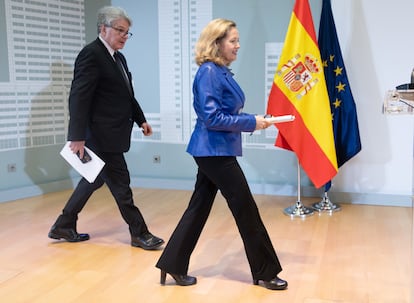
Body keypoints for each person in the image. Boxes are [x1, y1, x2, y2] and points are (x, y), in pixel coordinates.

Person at [155, 18, 287, 290]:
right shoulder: (209, 73)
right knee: (246, 209)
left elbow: (225, 113)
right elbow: (212, 117)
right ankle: (265, 271)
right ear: (216, 44)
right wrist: (251, 123)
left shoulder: (219, 71)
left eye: (238, 40)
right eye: (233, 41)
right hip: (213, 152)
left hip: (213, 150)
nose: (238, 46)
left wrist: (256, 119)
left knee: (199, 207)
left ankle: (173, 263)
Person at [48, 6, 164, 250]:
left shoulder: (118, 57)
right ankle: (139, 233)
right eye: (120, 30)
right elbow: (78, 97)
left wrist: (140, 119)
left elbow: (126, 95)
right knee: (122, 184)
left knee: (93, 180)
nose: (124, 36)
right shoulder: (91, 54)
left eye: (127, 32)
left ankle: (64, 224)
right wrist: (77, 136)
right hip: (100, 135)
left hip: (112, 133)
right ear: (103, 28)